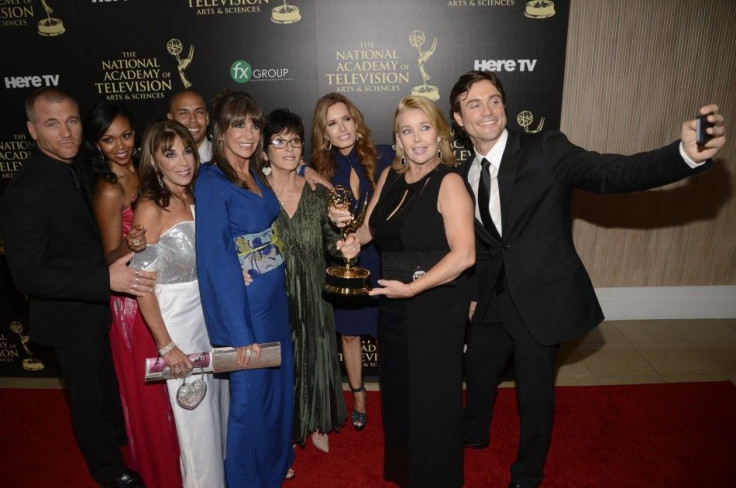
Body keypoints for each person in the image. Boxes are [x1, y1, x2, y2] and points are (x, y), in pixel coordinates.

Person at [450, 70, 726, 488]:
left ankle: (527, 472)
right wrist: (473, 294)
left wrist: (683, 156)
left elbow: (609, 172)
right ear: (458, 118)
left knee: (534, 390)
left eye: (493, 100)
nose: (486, 111)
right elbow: (487, 245)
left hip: (541, 296)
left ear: (504, 107)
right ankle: (473, 434)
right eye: (474, 104)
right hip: (493, 295)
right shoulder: (467, 171)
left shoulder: (545, 148)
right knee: (479, 365)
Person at [0, 87, 155, 488]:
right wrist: (105, 279)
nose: (66, 132)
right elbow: (28, 276)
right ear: (33, 131)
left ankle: (124, 444)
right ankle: (110, 471)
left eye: (71, 121)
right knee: (88, 400)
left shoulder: (82, 166)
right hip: (68, 316)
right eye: (53, 124)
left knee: (110, 390)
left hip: (102, 306)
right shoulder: (23, 192)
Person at [332, 95, 476, 487]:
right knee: (398, 396)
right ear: (396, 138)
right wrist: (352, 243)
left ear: (440, 133)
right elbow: (369, 229)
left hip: (434, 304)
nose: (416, 139)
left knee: (431, 400)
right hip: (394, 303)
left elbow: (464, 255)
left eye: (424, 128)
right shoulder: (390, 177)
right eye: (406, 130)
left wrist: (414, 289)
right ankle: (408, 474)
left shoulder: (449, 182)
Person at [195, 91, 295, 486]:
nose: (250, 133)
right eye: (239, 124)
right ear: (219, 130)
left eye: (255, 124)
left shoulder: (254, 172)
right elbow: (217, 261)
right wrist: (238, 335)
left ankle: (271, 466)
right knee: (250, 401)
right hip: (248, 310)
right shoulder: (212, 182)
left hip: (273, 301)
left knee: (275, 392)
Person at [83, 102, 182, 488]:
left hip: (161, 288)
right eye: (109, 139)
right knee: (150, 394)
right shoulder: (109, 188)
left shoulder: (146, 171)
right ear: (97, 145)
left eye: (125, 135)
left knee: (171, 384)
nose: (120, 145)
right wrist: (131, 242)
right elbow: (107, 257)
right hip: (130, 297)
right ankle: (162, 474)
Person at [130, 119, 228, 487]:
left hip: (212, 314)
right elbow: (141, 284)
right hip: (179, 322)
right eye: (170, 154)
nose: (183, 161)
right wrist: (166, 344)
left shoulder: (196, 193)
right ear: (154, 160)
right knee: (195, 419)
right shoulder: (149, 208)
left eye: (187, 150)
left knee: (218, 409)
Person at [258, 108, 348, 454]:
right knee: (283, 359)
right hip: (273, 293)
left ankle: (317, 423)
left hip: (314, 286)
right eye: (279, 141)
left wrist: (344, 240)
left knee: (317, 353)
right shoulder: (256, 193)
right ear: (264, 150)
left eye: (295, 141)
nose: (289, 148)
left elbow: (332, 246)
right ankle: (288, 424)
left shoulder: (318, 192)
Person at [311, 92, 394, 431]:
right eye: (332, 123)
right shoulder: (321, 169)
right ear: (324, 133)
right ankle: (358, 396)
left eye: (346, 119)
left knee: (387, 335)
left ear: (356, 121)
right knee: (348, 336)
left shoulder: (386, 155)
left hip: (384, 258)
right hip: (346, 260)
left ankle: (393, 396)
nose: (341, 128)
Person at [167, 89, 212, 163]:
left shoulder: (225, 158)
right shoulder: (161, 162)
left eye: (199, 112)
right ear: (171, 119)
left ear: (207, 118)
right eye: (184, 113)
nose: (193, 119)